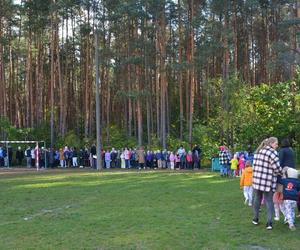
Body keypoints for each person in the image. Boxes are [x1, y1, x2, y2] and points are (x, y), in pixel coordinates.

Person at [252, 137, 282, 230]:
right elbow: (277, 168)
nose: (277, 146)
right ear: (271, 143)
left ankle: (255, 219)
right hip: (267, 182)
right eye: (276, 144)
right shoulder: (272, 153)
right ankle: (269, 223)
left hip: (257, 180)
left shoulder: (258, 152)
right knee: (269, 201)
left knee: (257, 199)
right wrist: (282, 172)